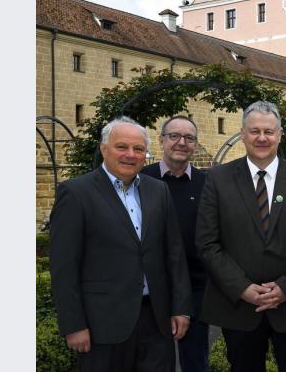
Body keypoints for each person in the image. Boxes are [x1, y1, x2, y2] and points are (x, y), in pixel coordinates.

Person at [196, 101, 286, 372]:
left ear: (280, 135)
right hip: (239, 307)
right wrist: (242, 288)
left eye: (269, 131)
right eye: (254, 131)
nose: (262, 138)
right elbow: (207, 242)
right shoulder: (218, 178)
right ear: (242, 134)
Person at [49, 116, 191, 372]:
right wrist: (74, 325)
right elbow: (64, 267)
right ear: (104, 149)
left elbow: (175, 255)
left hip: (156, 320)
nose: (131, 155)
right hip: (102, 324)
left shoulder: (158, 191)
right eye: (122, 147)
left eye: (138, 149)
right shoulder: (76, 193)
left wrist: (181, 308)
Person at [140, 115, 209, 371]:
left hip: (197, 287)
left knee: (196, 361)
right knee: (154, 360)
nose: (182, 142)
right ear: (161, 140)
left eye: (189, 138)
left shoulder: (207, 184)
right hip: (152, 288)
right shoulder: (141, 180)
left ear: (195, 144)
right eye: (174, 136)